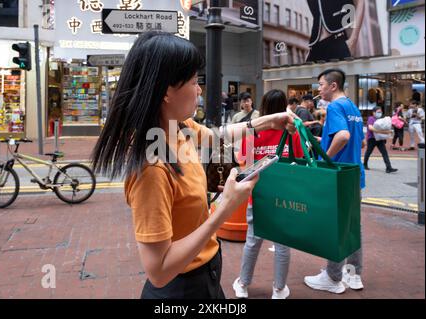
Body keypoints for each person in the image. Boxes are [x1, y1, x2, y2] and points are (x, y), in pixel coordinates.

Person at [91, 31, 295, 299]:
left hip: (207, 274)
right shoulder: (151, 168)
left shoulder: (177, 126)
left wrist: (268, 121)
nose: (199, 90)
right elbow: (159, 271)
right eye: (194, 81)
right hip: (182, 289)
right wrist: (224, 209)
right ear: (166, 91)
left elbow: (215, 135)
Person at [232, 89, 304, 300]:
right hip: (285, 195)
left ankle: (243, 284)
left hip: (259, 195)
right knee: (282, 244)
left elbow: (243, 161)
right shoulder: (292, 132)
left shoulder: (255, 131)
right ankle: (279, 289)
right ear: (285, 106)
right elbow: (298, 159)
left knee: (253, 241)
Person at [304, 68, 365, 294]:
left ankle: (332, 276)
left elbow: (343, 136)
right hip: (353, 174)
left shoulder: (335, 107)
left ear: (332, 86)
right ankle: (354, 274)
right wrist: (323, 139)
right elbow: (358, 141)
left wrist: (327, 158)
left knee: (335, 226)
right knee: (352, 226)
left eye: (321, 84)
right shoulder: (353, 108)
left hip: (337, 175)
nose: (318, 89)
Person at [363, 107, 398, 173]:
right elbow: (370, 128)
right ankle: (364, 164)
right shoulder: (371, 118)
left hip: (379, 139)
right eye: (378, 112)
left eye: (380, 112)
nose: (380, 113)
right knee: (368, 152)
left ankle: (389, 167)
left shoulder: (381, 119)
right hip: (372, 139)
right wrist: (383, 132)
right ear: (373, 112)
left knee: (384, 153)